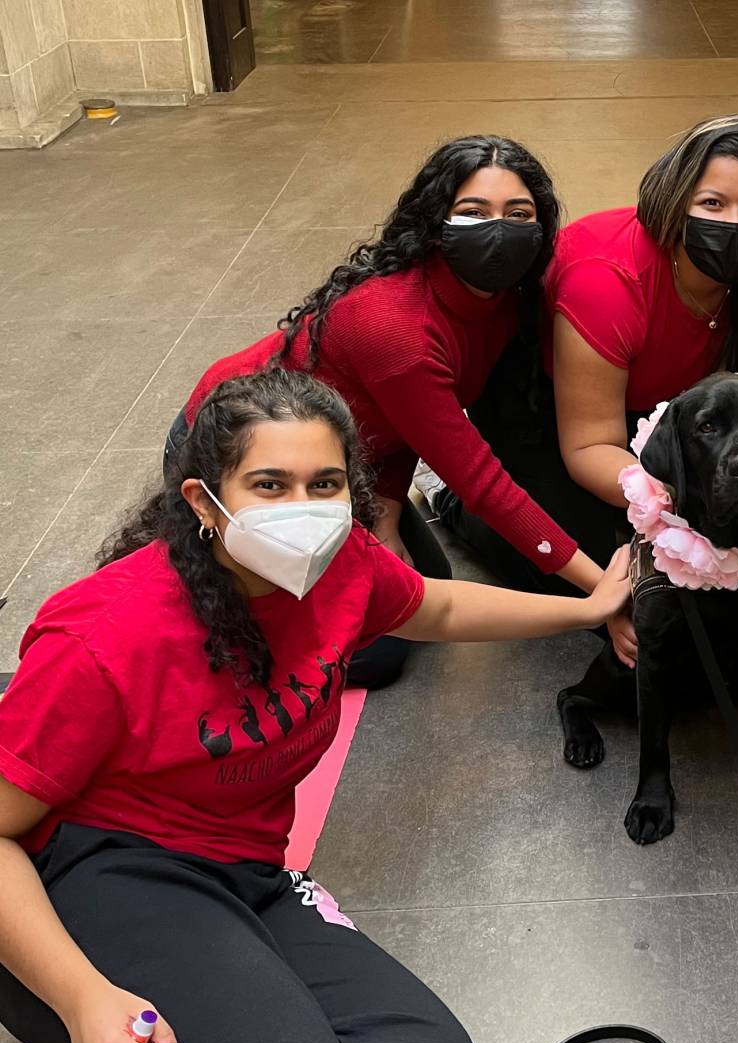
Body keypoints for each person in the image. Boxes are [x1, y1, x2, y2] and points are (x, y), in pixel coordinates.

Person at [0, 371, 630, 1043]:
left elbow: (436, 607)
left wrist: (585, 609)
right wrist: (83, 997)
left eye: (326, 484)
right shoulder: (105, 634)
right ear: (203, 502)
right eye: (270, 485)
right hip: (98, 877)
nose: (304, 509)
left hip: (245, 874)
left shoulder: (343, 572)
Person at [169, 136, 622, 689]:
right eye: (473, 212)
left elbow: (401, 426)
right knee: (374, 653)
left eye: (518, 214)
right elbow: (479, 481)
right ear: (436, 222)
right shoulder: (395, 327)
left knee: (422, 587)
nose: (497, 230)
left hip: (345, 464)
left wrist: (383, 513)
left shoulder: (503, 300)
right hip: (240, 455)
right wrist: (600, 589)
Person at [427, 115, 738, 662]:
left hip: (651, 409)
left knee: (714, 550)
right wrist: (678, 501)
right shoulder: (609, 280)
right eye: (713, 204)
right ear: (676, 201)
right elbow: (587, 447)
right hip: (550, 410)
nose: (736, 224)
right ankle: (456, 498)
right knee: (602, 572)